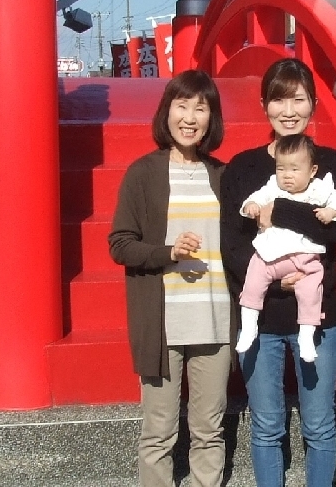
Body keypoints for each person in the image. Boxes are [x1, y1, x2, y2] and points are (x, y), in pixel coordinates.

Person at [220, 57, 336, 487]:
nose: (288, 110)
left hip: (319, 317)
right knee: (266, 427)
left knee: (319, 425)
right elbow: (232, 244)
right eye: (279, 99)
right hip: (261, 318)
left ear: (313, 105)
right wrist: (275, 279)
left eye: (298, 99)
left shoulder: (331, 163)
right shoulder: (242, 168)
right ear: (265, 105)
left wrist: (277, 211)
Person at [109, 70, 233, 487]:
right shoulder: (143, 173)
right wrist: (168, 253)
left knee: (209, 432)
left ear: (212, 117)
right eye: (182, 105)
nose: (191, 117)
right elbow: (120, 244)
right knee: (158, 433)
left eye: (201, 107)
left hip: (215, 322)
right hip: (162, 325)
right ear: (167, 112)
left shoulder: (224, 175)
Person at [236, 133, 336, 362]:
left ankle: (307, 336)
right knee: (252, 282)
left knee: (310, 291)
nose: (287, 175)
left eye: (294, 169)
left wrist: (332, 212)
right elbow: (256, 198)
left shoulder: (319, 189)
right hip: (269, 256)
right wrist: (251, 206)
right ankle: (249, 327)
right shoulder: (272, 187)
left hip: (304, 258)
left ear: (312, 170)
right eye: (281, 169)